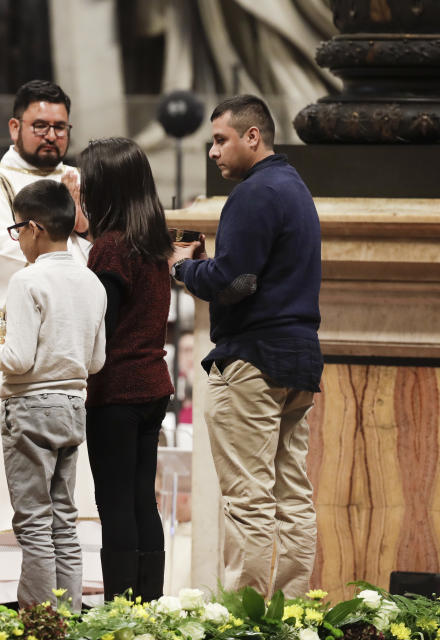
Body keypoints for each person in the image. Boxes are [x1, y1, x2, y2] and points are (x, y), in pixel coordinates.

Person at [169, 95, 322, 597]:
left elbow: (236, 283)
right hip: (298, 358)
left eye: (220, 140)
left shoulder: (254, 193)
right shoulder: (295, 186)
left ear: (252, 136)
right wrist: (209, 266)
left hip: (254, 360)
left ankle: (249, 620)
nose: (214, 152)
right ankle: (293, 612)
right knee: (292, 496)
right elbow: (252, 273)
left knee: (248, 499)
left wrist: (183, 267)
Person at [0, 80, 98, 603]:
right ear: (15, 127)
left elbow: (101, 253)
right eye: (40, 125)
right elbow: (3, 257)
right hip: (9, 342)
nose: (51, 136)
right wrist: (77, 251)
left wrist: (80, 241)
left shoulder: (81, 181)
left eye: (60, 126)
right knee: (18, 491)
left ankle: (63, 600)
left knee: (64, 503)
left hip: (66, 356)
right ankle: (3, 593)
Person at [77, 137, 175, 601]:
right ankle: (149, 606)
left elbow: (103, 328)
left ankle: (120, 608)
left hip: (116, 389)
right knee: (142, 501)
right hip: (153, 385)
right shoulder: (153, 243)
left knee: (114, 502)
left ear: (105, 189)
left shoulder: (110, 248)